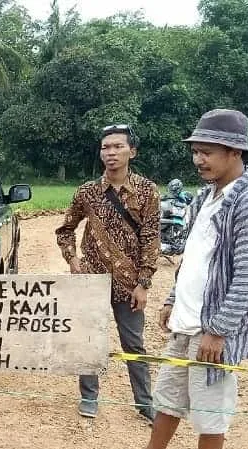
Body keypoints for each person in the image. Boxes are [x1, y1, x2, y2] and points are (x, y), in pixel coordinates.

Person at [103, 109, 248, 449]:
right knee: (169, 396)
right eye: (196, 152)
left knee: (210, 408)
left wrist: (219, 330)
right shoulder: (206, 196)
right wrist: (172, 299)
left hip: (214, 328)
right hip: (188, 320)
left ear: (235, 151)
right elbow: (194, 258)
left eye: (208, 153)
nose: (199, 160)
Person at [55, 124, 160, 423]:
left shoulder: (146, 191)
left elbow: (151, 237)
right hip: (91, 280)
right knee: (89, 340)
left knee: (134, 344)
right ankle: (89, 396)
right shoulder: (87, 192)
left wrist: (144, 283)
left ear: (132, 151)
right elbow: (65, 230)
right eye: (106, 147)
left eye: (118, 147)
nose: (111, 153)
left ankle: (144, 403)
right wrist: (73, 260)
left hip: (129, 285)